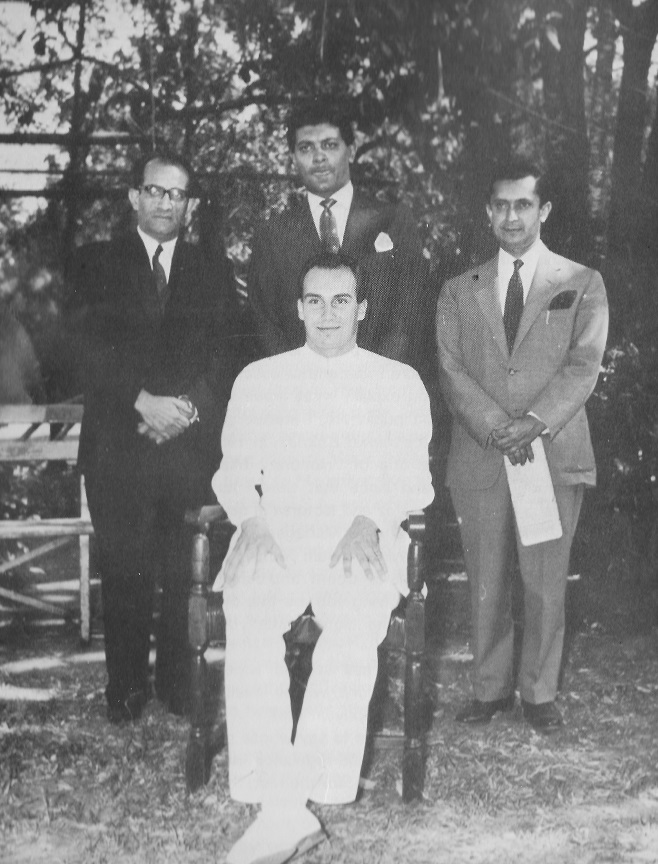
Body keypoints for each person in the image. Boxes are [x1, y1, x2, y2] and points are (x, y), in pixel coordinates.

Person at [213, 253, 434, 864]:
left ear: (362, 308)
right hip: (279, 531)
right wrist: (251, 523)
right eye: (315, 301)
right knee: (249, 611)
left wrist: (368, 520)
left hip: (359, 534)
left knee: (354, 622)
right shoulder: (260, 378)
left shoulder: (397, 381)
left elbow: (414, 477)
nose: (328, 313)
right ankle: (276, 796)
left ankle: (309, 790)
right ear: (298, 308)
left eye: (342, 301)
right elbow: (233, 471)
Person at [436, 159, 608, 733]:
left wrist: (533, 421)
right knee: (486, 578)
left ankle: (539, 693)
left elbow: (584, 366)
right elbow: (450, 368)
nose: (512, 216)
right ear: (488, 212)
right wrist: (494, 424)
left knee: (543, 578)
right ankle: (488, 690)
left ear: (544, 210)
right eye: (501, 205)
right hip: (483, 453)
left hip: (550, 450)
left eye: (524, 205)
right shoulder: (460, 290)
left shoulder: (580, 282)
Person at [68, 150, 236, 723]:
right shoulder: (94, 263)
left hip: (186, 449)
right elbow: (78, 348)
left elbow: (226, 353)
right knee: (125, 568)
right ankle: (126, 687)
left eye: (177, 194)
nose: (166, 202)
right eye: (155, 191)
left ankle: (177, 684)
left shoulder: (211, 268)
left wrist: (187, 409)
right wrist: (141, 400)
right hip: (118, 444)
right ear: (134, 197)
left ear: (189, 206)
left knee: (179, 569)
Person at [247, 97, 432, 375]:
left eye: (330, 145)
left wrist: (371, 379)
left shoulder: (394, 220)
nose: (318, 157)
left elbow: (409, 312)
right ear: (293, 157)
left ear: (352, 149)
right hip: (299, 392)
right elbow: (265, 325)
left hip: (378, 388)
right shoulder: (271, 235)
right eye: (306, 147)